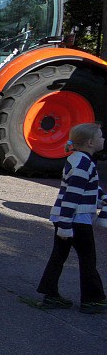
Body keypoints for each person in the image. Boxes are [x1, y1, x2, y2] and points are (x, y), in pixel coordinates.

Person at [37, 122, 107, 314]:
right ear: (91, 142)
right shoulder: (83, 164)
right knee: (87, 260)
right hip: (75, 221)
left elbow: (89, 186)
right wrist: (66, 226)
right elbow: (72, 196)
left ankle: (50, 294)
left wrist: (102, 197)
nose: (103, 139)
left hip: (66, 219)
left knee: (58, 257)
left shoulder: (78, 159)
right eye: (101, 137)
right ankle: (92, 300)